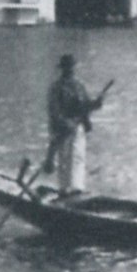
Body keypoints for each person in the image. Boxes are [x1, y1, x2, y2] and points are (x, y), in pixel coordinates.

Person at [44, 54, 104, 195]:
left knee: (77, 157)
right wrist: (65, 124)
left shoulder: (79, 85)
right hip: (63, 128)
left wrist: (96, 104)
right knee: (64, 158)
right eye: (68, 68)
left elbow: (86, 105)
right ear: (63, 69)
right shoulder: (56, 88)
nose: (70, 70)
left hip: (78, 127)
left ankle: (77, 188)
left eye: (72, 67)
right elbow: (54, 111)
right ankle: (64, 190)